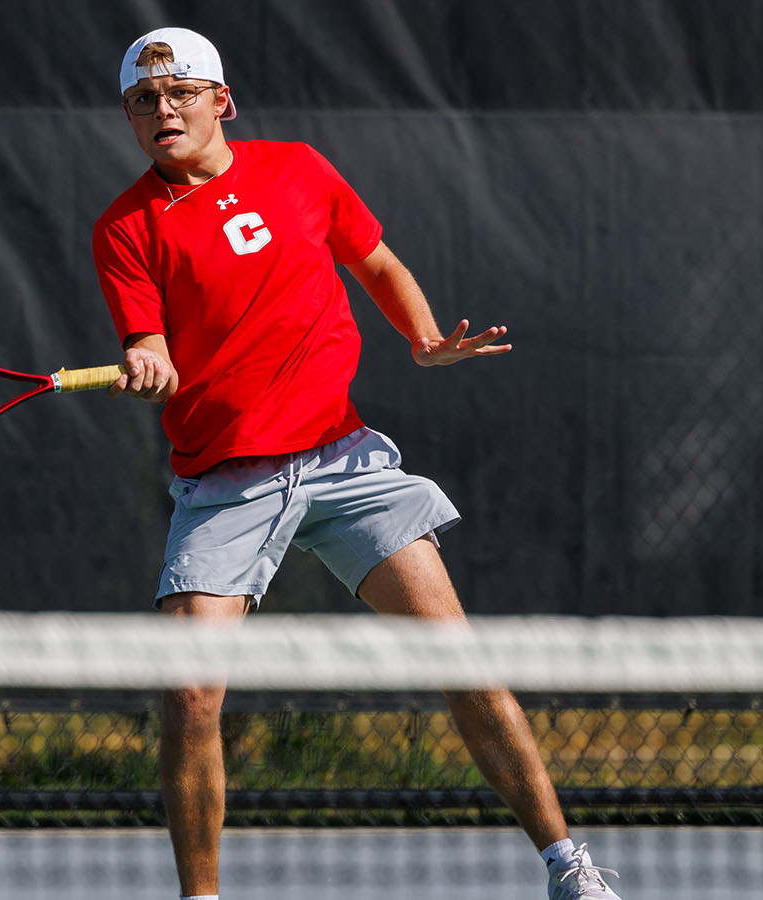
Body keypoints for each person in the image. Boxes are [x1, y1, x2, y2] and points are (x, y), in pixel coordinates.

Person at [91, 27, 623, 900]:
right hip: (227, 481)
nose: (163, 111)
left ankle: (571, 869)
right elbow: (150, 343)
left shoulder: (298, 169)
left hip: (344, 461)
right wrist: (148, 361)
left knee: (460, 661)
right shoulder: (125, 227)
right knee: (188, 694)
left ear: (222, 102)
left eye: (181, 93)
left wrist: (423, 337)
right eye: (144, 100)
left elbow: (373, 259)